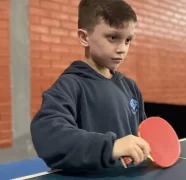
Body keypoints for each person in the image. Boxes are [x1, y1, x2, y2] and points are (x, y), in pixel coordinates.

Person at [30, 0, 150, 172]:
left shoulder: (130, 87)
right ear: (84, 37)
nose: (122, 49)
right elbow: (48, 135)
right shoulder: (70, 85)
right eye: (113, 37)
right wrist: (111, 147)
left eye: (128, 40)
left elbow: (141, 136)